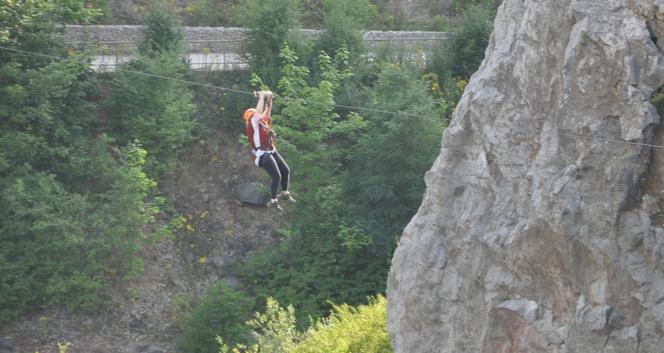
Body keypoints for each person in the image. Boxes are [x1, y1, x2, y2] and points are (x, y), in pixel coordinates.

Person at [243, 90, 295, 210]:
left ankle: (284, 193)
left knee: (286, 171)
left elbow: (267, 109)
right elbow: (259, 112)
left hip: (271, 150)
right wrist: (261, 97)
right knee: (276, 176)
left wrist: (269, 97)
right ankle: (273, 200)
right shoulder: (253, 124)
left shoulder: (263, 121)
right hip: (263, 155)